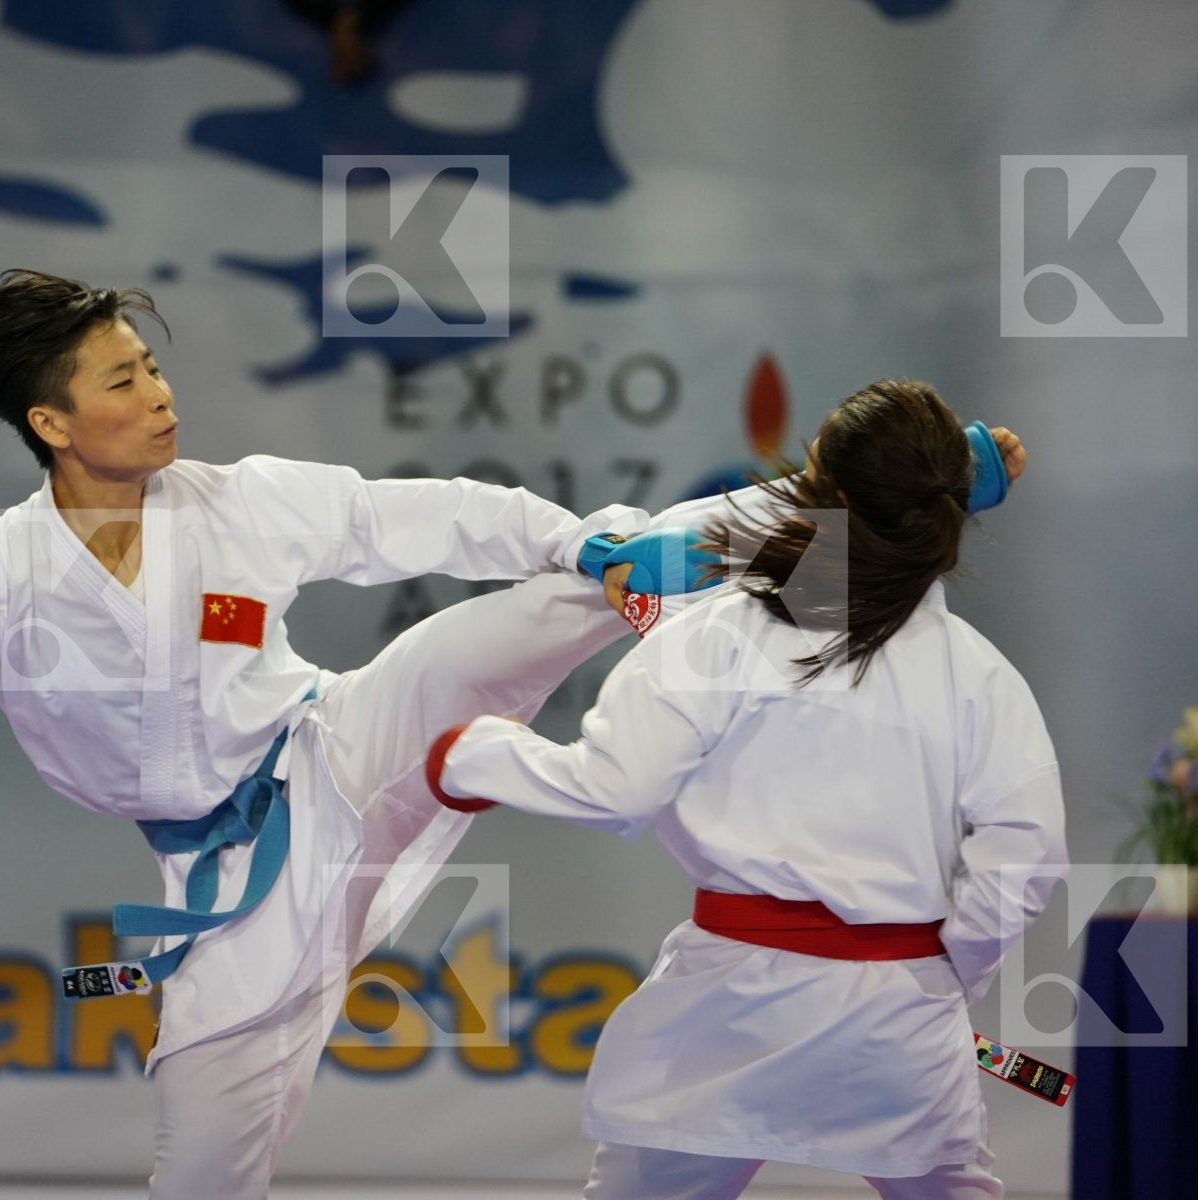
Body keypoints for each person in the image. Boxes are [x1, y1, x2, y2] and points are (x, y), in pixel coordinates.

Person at [0, 268, 724, 1197]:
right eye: (121, 382)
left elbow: (416, 515)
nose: (158, 396)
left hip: (338, 748)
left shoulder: (242, 501)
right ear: (52, 422)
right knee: (198, 1177)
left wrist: (570, 539)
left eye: (152, 368)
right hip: (221, 891)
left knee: (536, 605)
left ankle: (772, 542)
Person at [427, 379, 1061, 1200]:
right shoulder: (978, 671)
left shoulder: (721, 633)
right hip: (897, 1021)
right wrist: (943, 973)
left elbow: (614, 789)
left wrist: (468, 755)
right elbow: (1031, 858)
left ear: (824, 494)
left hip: (729, 1012)